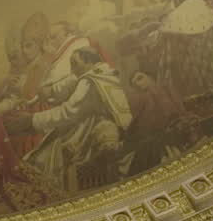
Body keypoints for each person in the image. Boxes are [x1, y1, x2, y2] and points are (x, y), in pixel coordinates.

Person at [8, 49, 132, 190]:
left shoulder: (89, 82)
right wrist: (51, 92)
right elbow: (69, 85)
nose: (72, 68)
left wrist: (32, 120)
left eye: (75, 63)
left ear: (89, 62)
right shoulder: (104, 75)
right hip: (113, 132)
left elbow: (67, 112)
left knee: (44, 157)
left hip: (95, 134)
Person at [157, 0, 213, 99]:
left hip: (191, 74)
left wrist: (163, 80)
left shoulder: (173, 17)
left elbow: (168, 57)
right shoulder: (208, 8)